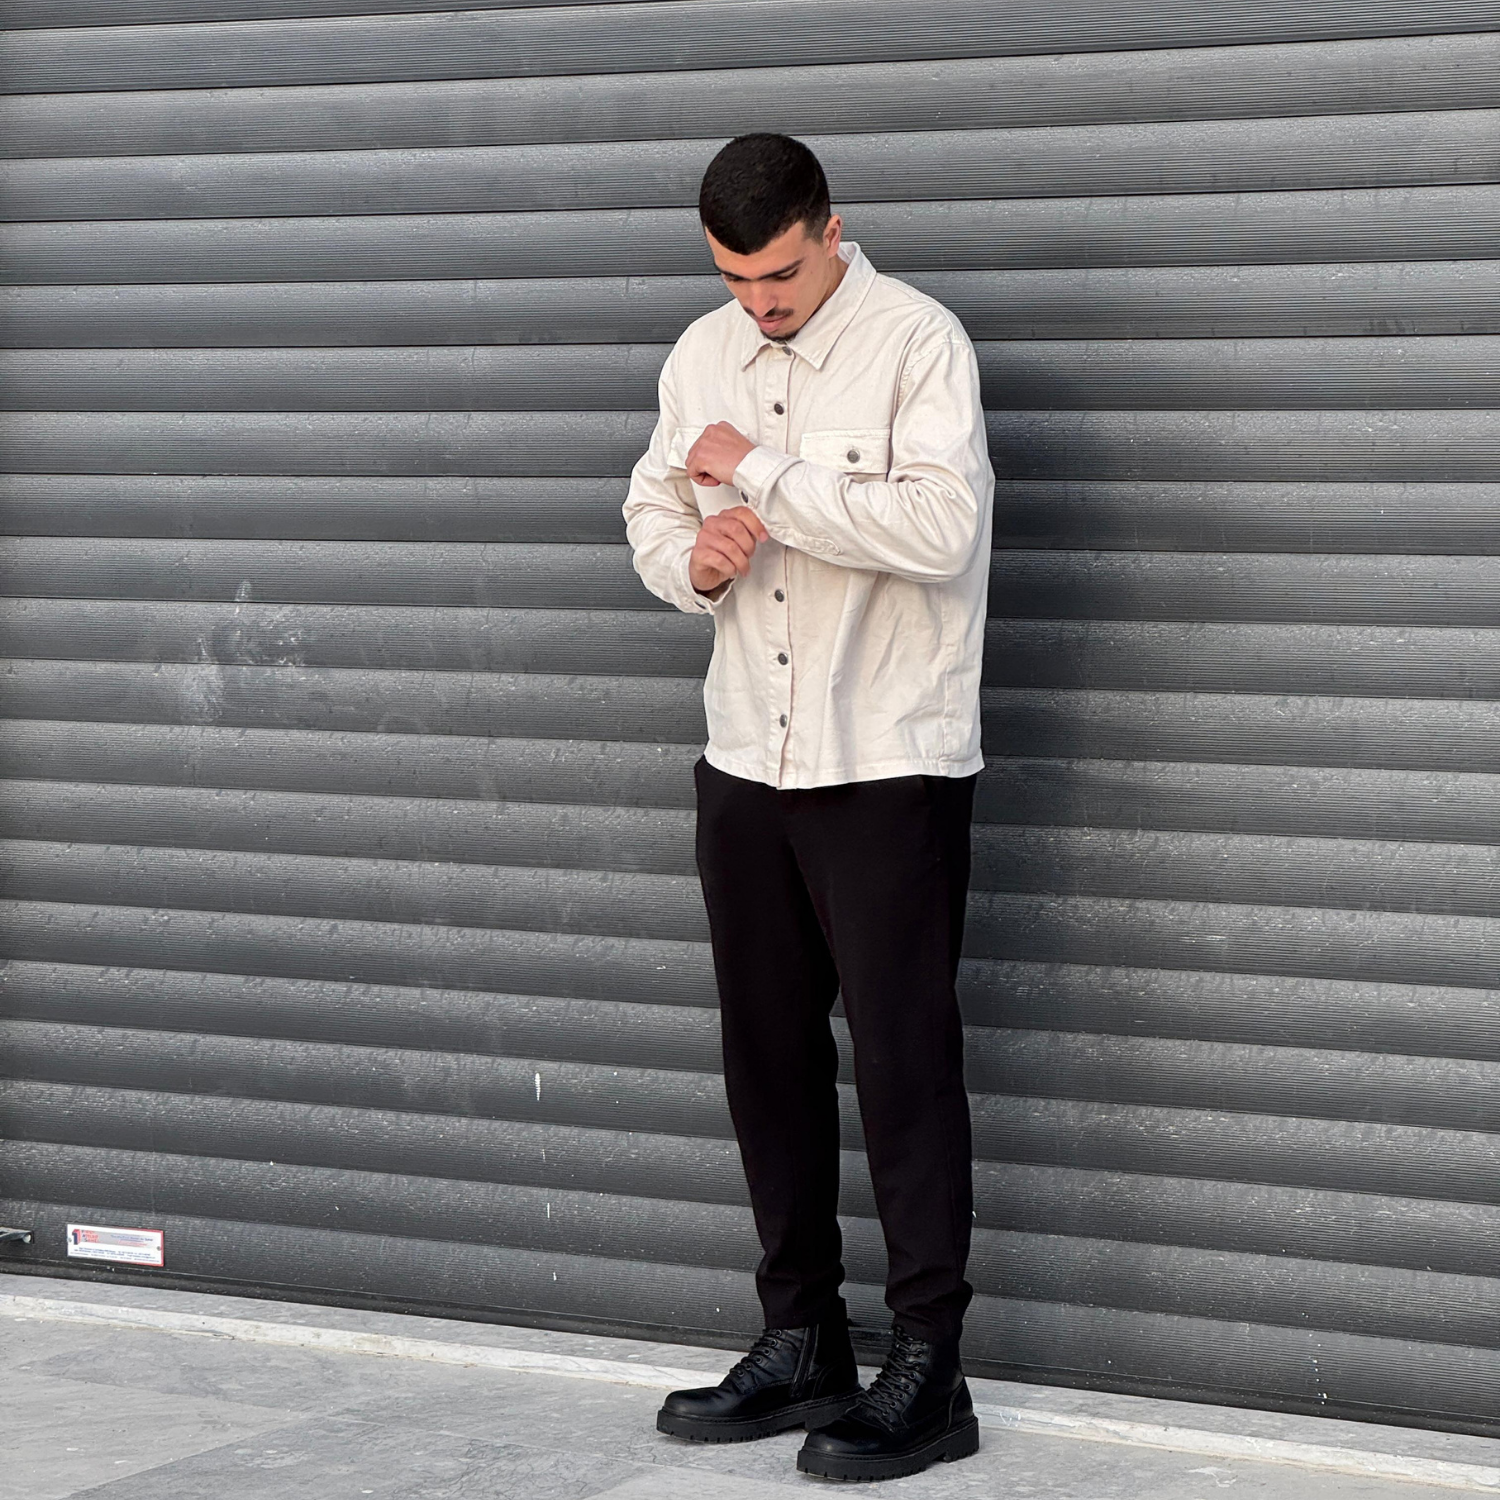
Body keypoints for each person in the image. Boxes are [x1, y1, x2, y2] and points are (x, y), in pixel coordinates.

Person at [622, 132, 993, 1484]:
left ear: (832, 231)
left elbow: (941, 529)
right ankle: (803, 1341)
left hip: (885, 758)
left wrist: (767, 480)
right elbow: (651, 509)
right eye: (734, 279)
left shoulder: (916, 344)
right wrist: (698, 560)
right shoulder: (701, 354)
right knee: (766, 1060)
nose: (759, 304)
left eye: (778, 275)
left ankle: (929, 1370)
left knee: (902, 1066)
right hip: (745, 758)